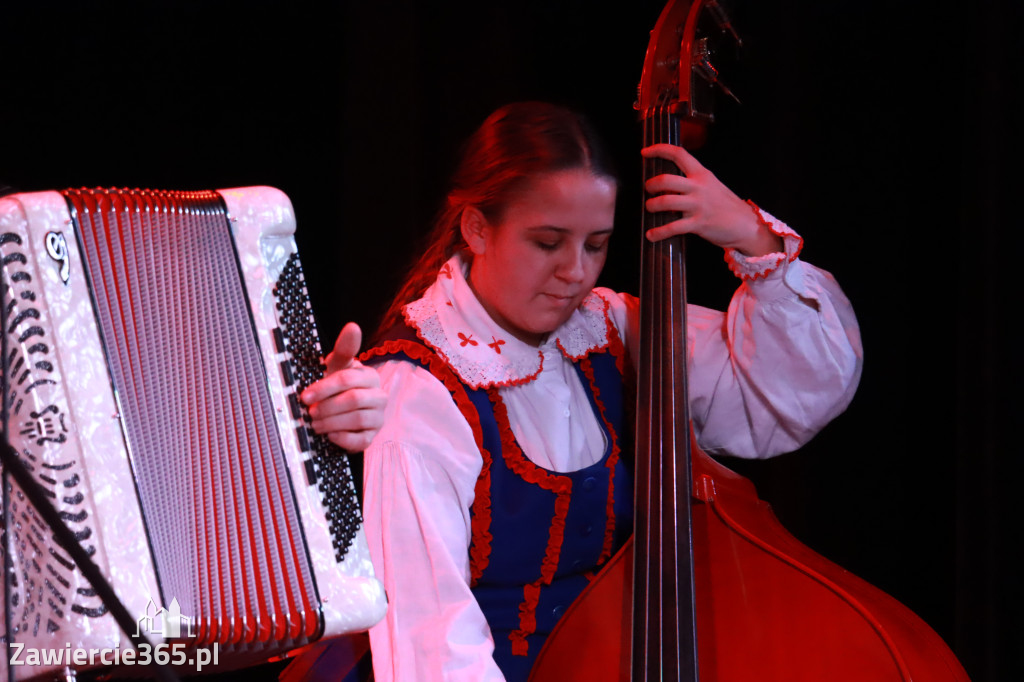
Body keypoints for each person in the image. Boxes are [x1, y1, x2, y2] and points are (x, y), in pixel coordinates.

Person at [300, 101, 862, 682]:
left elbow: (788, 393)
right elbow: (430, 634)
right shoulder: (418, 389)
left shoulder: (611, 330)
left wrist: (754, 240)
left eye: (595, 244)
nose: (575, 271)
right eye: (548, 243)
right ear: (476, 228)